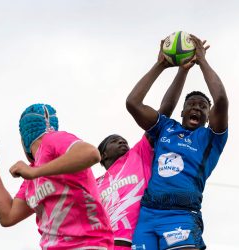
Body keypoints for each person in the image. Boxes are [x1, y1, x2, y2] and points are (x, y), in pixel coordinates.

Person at [126, 35, 228, 250]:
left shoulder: (211, 138)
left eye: (202, 107)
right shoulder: (166, 128)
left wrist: (202, 61)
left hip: (181, 215)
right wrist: (161, 65)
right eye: (192, 104)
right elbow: (133, 103)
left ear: (209, 117)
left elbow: (220, 100)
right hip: (148, 215)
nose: (197, 108)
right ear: (182, 111)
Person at [96, 40, 196, 249]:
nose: (122, 141)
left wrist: (181, 72)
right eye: (114, 141)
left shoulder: (138, 153)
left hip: (140, 238)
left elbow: (164, 111)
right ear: (102, 155)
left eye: (122, 139)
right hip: (106, 243)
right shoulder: (95, 184)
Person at [0, 103, 113, 249]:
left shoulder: (53, 140)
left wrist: (34, 172)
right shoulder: (31, 176)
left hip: (88, 245)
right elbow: (8, 216)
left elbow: (91, 154)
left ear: (23, 139)